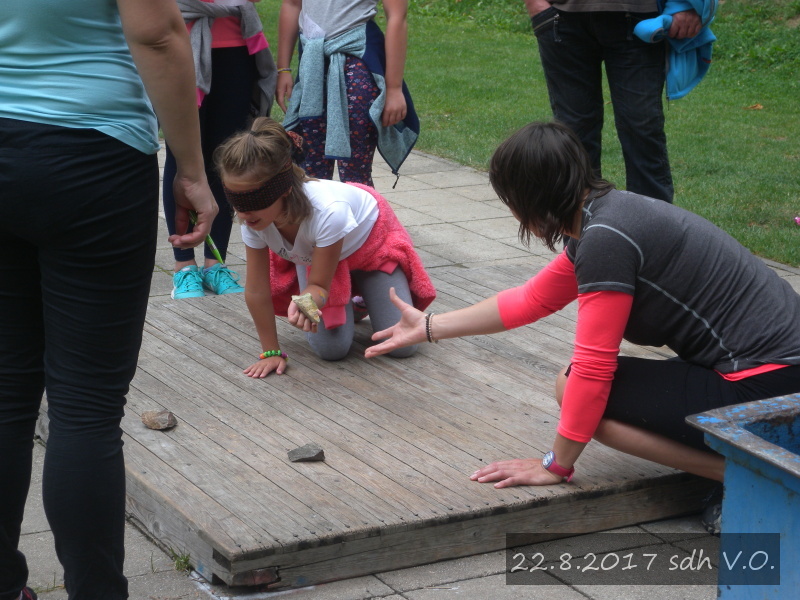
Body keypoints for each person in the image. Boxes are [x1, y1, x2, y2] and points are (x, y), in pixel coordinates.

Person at [365, 122, 800, 534]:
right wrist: (429, 326)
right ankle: (747, 466)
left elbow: (594, 367)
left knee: (574, 388)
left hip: (770, 385)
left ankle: (749, 473)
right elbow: (531, 299)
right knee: (580, 393)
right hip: (775, 373)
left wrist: (556, 464)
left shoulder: (607, 239)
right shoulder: (608, 215)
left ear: (526, 198)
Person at [0, 0, 218, 598]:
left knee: (6, 392)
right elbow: (158, 34)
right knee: (86, 407)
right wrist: (191, 170)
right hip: (89, 154)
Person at [213, 117, 435, 375]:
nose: (243, 213)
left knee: (401, 344)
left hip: (370, 247)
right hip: (315, 256)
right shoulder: (253, 219)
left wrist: (309, 298)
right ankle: (358, 300)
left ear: (283, 189)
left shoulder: (328, 212)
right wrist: (272, 351)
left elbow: (317, 285)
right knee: (332, 350)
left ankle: (363, 291)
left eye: (254, 200)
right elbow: (257, 289)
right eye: (235, 201)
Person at [524, 0, 703, 203]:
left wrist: (686, 3)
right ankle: (580, 222)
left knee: (642, 129)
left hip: (640, 17)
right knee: (574, 132)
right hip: (561, 17)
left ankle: (652, 223)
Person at [165, 0, 277, 299]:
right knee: (182, 156)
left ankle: (215, 264)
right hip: (179, 41)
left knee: (227, 158)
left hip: (237, 45)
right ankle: (184, 266)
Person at [276, 0, 419, 186]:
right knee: (309, 171)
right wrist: (283, 69)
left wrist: (394, 88)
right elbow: (292, 4)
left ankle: (360, 205)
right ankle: (315, 207)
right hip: (312, 65)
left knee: (356, 172)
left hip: (357, 62)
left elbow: (397, 16)